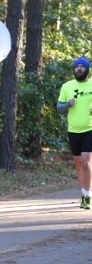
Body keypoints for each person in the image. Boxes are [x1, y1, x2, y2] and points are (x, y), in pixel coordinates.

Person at [57, 56, 92, 210]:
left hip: (89, 128)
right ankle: (83, 192)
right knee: (78, 164)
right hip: (73, 130)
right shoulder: (67, 86)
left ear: (87, 69)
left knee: (86, 161)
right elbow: (59, 107)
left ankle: (87, 196)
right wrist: (67, 104)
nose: (79, 69)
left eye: (82, 66)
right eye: (76, 66)